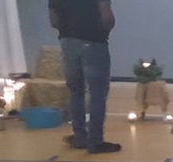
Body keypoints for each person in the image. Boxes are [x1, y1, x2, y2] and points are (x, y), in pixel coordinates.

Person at [49, 0, 121, 153]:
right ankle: (95, 141)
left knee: (75, 91)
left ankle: (79, 136)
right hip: (93, 42)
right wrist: (102, 31)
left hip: (67, 42)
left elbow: (54, 22)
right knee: (97, 94)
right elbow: (107, 18)